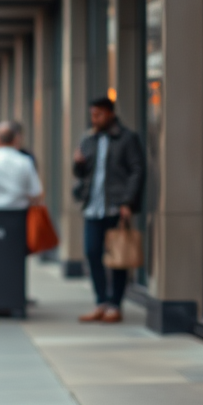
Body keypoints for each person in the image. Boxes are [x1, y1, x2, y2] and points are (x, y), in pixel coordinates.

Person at [72, 96, 145, 323]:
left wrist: (127, 202)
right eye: (92, 114)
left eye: (99, 114)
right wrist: (78, 164)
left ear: (110, 113)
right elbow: (82, 174)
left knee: (118, 257)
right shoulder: (89, 138)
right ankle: (101, 302)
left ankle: (115, 305)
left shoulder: (127, 138)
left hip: (115, 207)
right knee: (92, 253)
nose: (94, 118)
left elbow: (137, 170)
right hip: (93, 207)